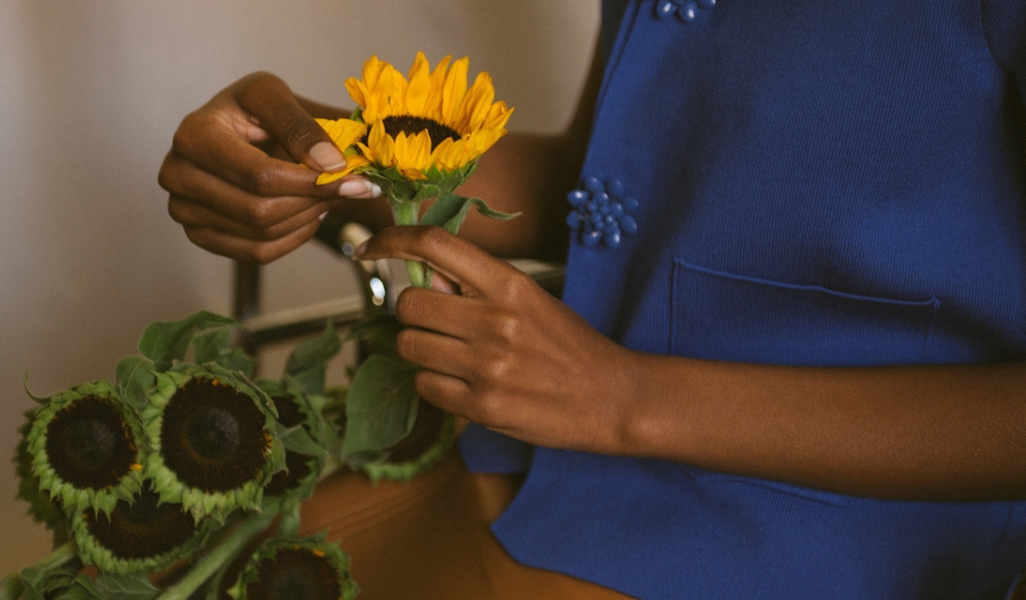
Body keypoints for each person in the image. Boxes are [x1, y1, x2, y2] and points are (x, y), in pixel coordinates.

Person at [159, 1, 1026, 598]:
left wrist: (625, 397)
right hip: (545, 461)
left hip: (841, 539)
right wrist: (327, 159)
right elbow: (629, 179)